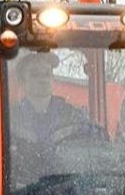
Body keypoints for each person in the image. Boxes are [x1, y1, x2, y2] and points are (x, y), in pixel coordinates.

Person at [8, 52, 88, 187]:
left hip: (67, 193)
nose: (43, 79)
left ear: (53, 79)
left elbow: (94, 141)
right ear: (22, 82)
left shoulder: (71, 115)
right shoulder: (10, 119)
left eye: (47, 73)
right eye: (35, 74)